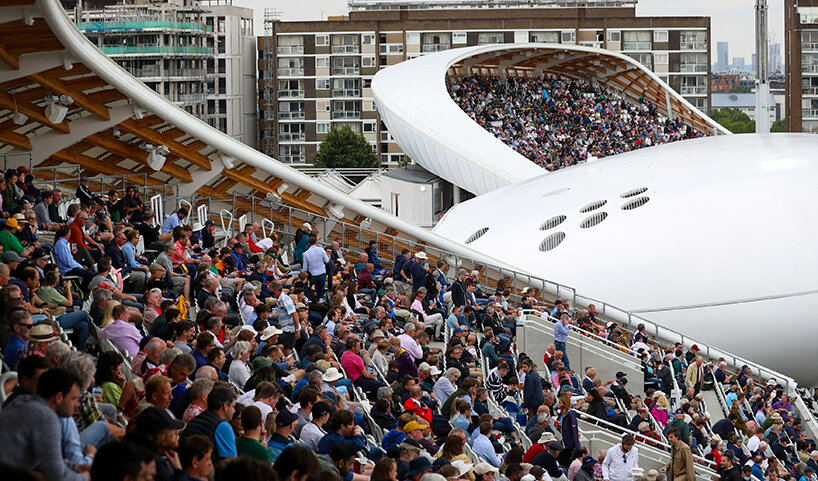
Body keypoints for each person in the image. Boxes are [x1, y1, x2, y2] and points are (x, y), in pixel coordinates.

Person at [0, 368, 87, 481]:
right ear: (59, 397)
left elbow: (48, 460)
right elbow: (57, 476)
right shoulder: (46, 418)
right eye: (74, 398)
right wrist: (86, 477)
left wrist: (74, 466)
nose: (78, 405)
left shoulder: (22, 401)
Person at [181, 386, 238, 462]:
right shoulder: (223, 427)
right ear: (225, 407)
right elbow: (231, 463)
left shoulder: (198, 418)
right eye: (233, 406)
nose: (234, 411)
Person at [302, 234, 329, 299]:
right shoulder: (321, 250)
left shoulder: (306, 253)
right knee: (321, 292)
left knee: (314, 293)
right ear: (316, 242)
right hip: (322, 274)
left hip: (312, 275)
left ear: (308, 243)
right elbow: (327, 261)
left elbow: (305, 268)